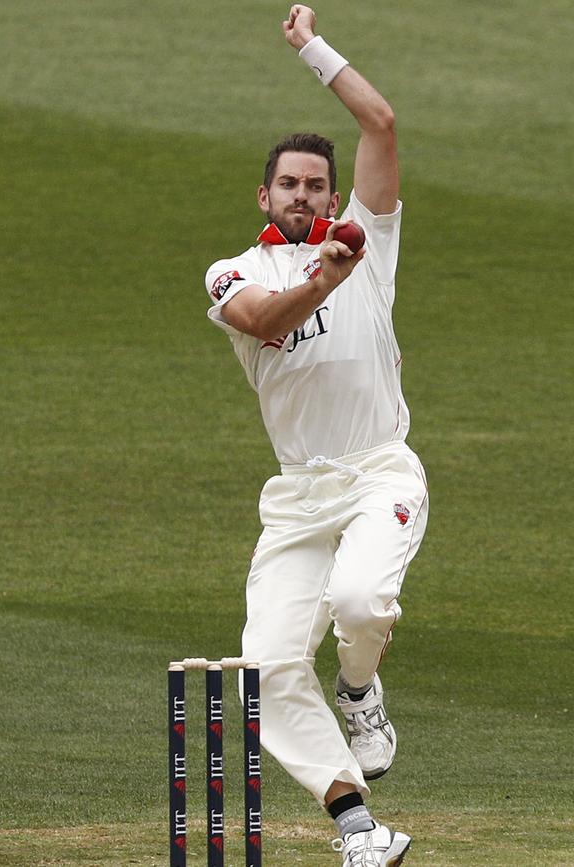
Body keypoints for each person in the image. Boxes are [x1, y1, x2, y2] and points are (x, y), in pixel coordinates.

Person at [204, 6, 428, 864]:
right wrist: (324, 279)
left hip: (379, 470)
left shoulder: (369, 237)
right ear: (265, 197)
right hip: (298, 492)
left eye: (315, 187)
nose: (303, 197)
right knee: (262, 667)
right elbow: (264, 320)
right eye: (287, 186)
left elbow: (380, 121)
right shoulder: (234, 272)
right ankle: (358, 825)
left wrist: (309, 48)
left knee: (361, 601)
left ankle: (362, 690)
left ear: (334, 197)